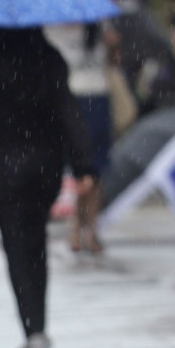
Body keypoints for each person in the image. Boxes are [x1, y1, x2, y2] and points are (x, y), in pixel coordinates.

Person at [0, 27, 99, 348]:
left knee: (15, 246)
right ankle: (38, 325)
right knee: (35, 243)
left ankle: (32, 328)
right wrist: (84, 164)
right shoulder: (48, 57)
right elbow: (67, 109)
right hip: (41, 165)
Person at [46, 23, 112, 253]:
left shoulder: (98, 24)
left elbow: (113, 61)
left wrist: (113, 45)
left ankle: (90, 229)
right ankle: (76, 227)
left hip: (98, 96)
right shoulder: (54, 26)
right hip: (71, 98)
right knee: (75, 169)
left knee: (95, 170)